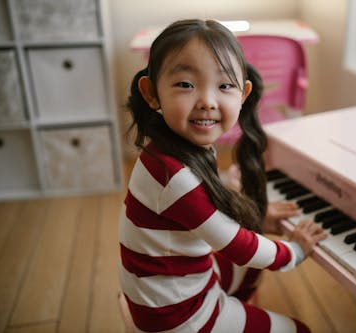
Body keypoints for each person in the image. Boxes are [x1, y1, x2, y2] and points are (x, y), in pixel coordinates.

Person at [119, 18, 327, 333]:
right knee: (301, 330)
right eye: (186, 84)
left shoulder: (168, 149)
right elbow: (241, 246)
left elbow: (211, 201)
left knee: (251, 269)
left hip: (169, 289)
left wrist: (255, 215)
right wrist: (296, 250)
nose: (207, 101)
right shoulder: (173, 175)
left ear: (242, 95)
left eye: (224, 85)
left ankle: (233, 315)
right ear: (151, 93)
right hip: (178, 316)